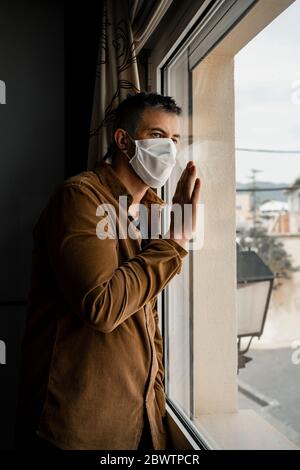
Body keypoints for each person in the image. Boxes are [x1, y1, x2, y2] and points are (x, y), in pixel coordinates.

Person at [15, 92, 201, 450]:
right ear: (123, 141)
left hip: (137, 420)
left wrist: (156, 409)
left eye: (176, 140)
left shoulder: (152, 212)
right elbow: (101, 306)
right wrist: (175, 241)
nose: (170, 150)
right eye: (158, 136)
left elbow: (146, 322)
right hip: (76, 429)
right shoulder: (79, 198)